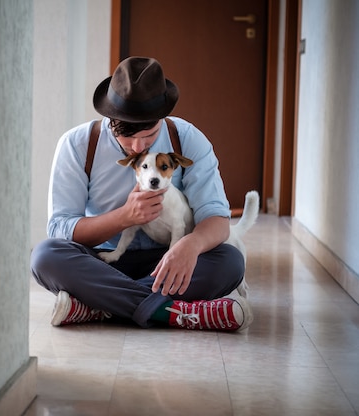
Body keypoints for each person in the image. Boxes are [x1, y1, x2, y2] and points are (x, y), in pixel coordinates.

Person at [30, 56, 253, 331]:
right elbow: (61, 228)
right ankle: (170, 312)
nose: (137, 146)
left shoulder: (187, 138)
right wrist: (124, 217)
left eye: (149, 135)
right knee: (46, 256)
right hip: (101, 262)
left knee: (229, 261)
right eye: (126, 135)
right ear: (109, 117)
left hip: (168, 263)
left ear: (162, 118)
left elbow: (217, 218)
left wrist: (191, 245)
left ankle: (98, 307)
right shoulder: (77, 145)